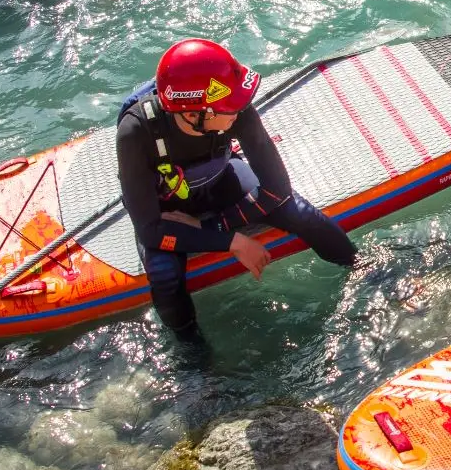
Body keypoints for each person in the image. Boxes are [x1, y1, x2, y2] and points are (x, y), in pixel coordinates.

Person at [116, 38, 357, 341]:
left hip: (221, 182)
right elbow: (151, 230)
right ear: (193, 114)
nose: (240, 110)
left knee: (301, 213)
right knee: (165, 275)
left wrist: (214, 228)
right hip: (169, 209)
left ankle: (362, 269)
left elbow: (277, 189)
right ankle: (195, 360)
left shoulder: (236, 111)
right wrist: (233, 242)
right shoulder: (135, 131)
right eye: (228, 107)